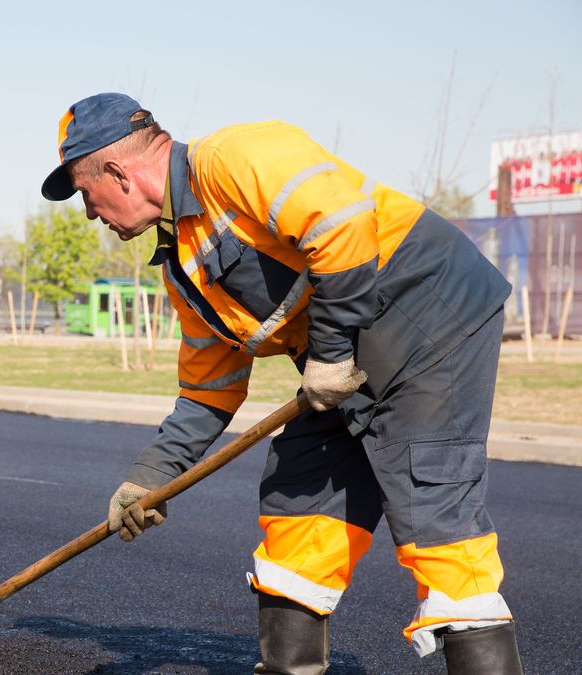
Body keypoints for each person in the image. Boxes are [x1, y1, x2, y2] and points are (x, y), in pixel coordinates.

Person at [41, 93, 521, 674]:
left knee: (434, 516)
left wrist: (332, 352)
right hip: (340, 366)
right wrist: (150, 478)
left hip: (430, 320)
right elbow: (208, 389)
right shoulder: (183, 263)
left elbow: (343, 226)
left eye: (85, 194)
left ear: (116, 172)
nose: (90, 213)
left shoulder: (234, 157)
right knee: (298, 502)